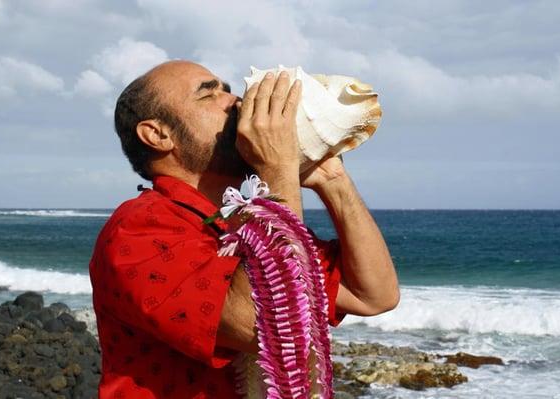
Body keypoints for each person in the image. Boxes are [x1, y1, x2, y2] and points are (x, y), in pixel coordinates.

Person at [89, 60, 399, 398]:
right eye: (208, 95)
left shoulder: (243, 220)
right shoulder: (136, 228)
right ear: (158, 134)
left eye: (227, 89)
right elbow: (272, 325)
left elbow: (373, 295)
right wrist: (277, 166)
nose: (235, 100)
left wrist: (333, 180)